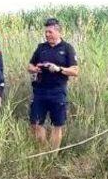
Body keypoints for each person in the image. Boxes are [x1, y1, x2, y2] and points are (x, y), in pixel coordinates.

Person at [27, 18, 79, 149]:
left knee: (57, 126)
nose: (47, 35)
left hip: (58, 91)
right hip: (40, 91)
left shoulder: (67, 48)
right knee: (35, 124)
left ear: (58, 32)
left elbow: (75, 71)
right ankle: (45, 151)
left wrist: (58, 69)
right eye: (46, 32)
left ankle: (52, 156)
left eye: (50, 32)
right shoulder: (41, 48)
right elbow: (29, 66)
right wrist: (36, 68)